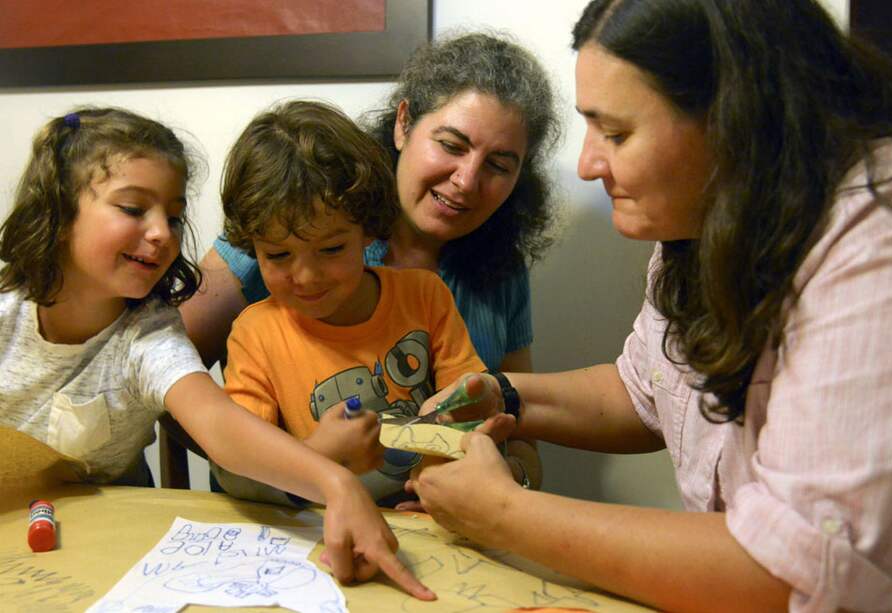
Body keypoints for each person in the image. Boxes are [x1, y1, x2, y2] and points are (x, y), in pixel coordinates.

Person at [407, 1, 892, 611]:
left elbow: (794, 570)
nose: (588, 164)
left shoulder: (885, 238)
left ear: (733, 118)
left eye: (617, 133)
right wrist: (503, 395)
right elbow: (645, 390)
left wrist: (501, 511)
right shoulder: (704, 217)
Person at [0, 107, 434, 601]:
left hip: (98, 553)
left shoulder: (150, 337)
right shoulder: (6, 312)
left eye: (173, 215)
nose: (162, 232)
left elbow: (221, 428)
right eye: (134, 209)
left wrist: (337, 483)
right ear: (58, 212)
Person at [178, 32, 559, 489]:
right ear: (403, 123)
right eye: (452, 145)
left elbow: (517, 435)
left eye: (498, 165)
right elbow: (165, 380)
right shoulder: (294, 212)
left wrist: (499, 478)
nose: (466, 180)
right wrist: (299, 468)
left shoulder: (497, 272)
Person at [211, 99, 494, 505]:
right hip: (325, 525)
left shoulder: (424, 295)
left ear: (367, 230)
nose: (306, 277)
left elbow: (470, 408)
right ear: (251, 247)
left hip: (430, 513)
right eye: (277, 255)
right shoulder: (255, 333)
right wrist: (318, 456)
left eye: (331, 249)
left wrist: (446, 473)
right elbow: (237, 469)